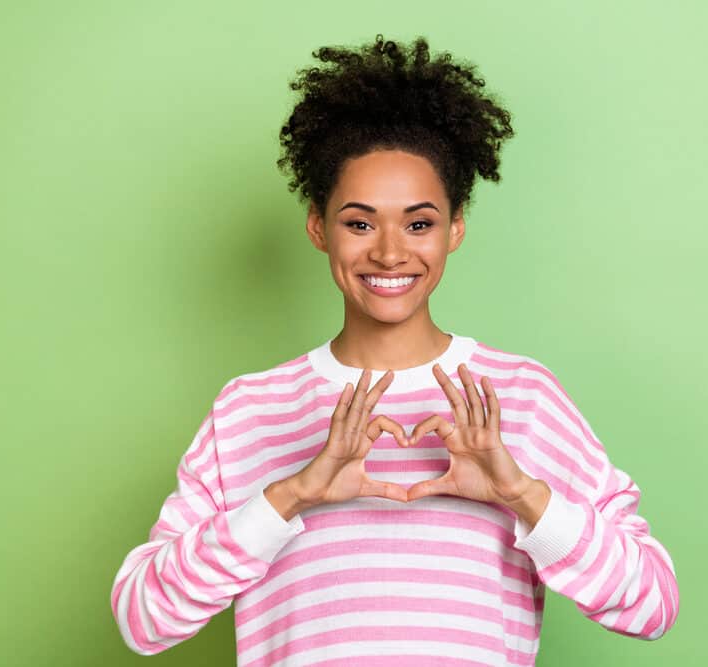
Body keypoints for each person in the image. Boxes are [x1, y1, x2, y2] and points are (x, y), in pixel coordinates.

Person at [110, 34, 679, 665]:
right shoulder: (249, 410)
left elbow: (652, 604)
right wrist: (291, 494)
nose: (387, 251)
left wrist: (519, 491)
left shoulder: (520, 398)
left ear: (455, 227)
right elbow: (144, 620)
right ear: (318, 227)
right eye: (359, 222)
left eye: (419, 222)